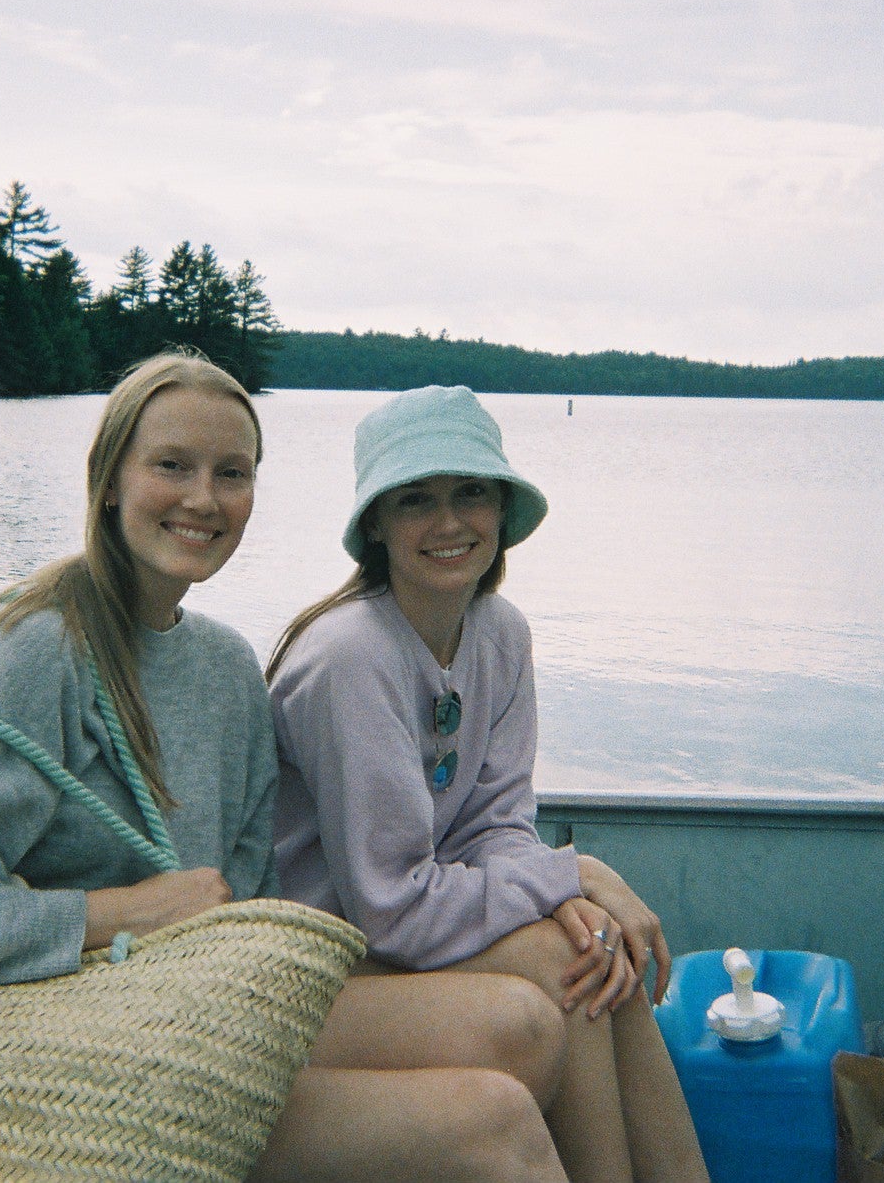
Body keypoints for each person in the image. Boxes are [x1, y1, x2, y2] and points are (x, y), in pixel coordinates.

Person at [0, 354, 576, 1182]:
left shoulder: (226, 667)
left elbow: (246, 905)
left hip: (194, 1021)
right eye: (172, 466)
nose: (203, 499)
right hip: (72, 1060)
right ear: (110, 480)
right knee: (493, 1125)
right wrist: (120, 912)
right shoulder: (31, 647)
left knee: (525, 1028)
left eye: (231, 474)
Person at [266, 385, 710, 1183]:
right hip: (321, 957)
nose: (448, 522)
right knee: (565, 968)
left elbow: (493, 823)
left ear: (502, 509)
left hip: (407, 932)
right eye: (416, 499)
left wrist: (558, 895)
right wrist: (574, 874)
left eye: (470, 492)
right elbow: (391, 908)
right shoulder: (350, 658)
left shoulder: (500, 634)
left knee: (588, 949)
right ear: (376, 523)